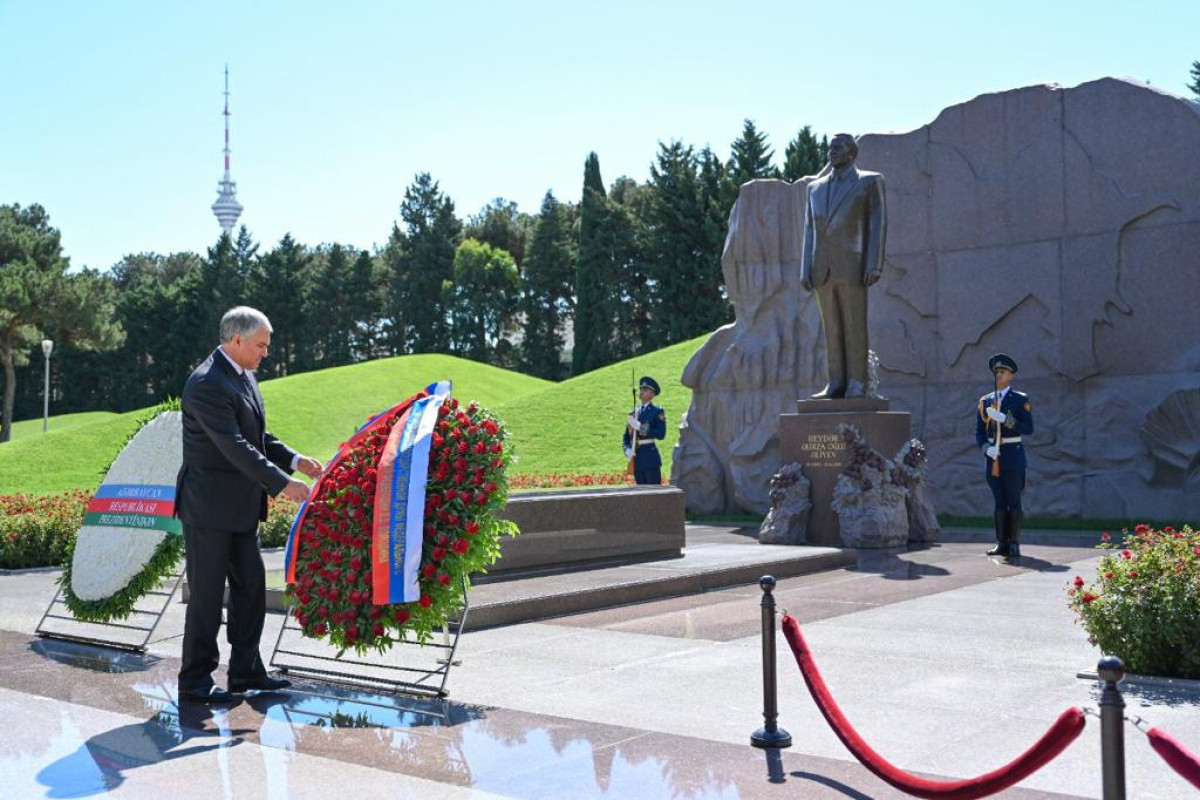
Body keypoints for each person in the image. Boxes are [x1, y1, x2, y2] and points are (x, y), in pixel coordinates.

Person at [175, 306, 321, 703]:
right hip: (208, 510)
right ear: (236, 340)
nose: (265, 353)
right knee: (206, 596)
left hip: (240, 509)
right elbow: (234, 446)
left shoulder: (243, 376)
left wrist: (296, 460)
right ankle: (195, 680)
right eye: (261, 345)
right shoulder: (206, 383)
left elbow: (257, 436)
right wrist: (282, 484)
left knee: (251, 588)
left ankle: (244, 671)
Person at [800, 133, 888, 399]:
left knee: (854, 326)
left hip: (853, 266)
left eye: (838, 147)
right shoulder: (814, 189)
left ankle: (857, 382)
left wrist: (874, 263)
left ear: (852, 153)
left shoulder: (870, 181)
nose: (832, 152)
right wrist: (805, 267)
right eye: (830, 148)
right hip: (821, 269)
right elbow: (810, 229)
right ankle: (835, 382)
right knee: (832, 329)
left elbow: (878, 223)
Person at [974, 353, 1034, 562]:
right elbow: (980, 433)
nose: (999, 375)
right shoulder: (986, 401)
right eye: (997, 372)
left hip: (1013, 456)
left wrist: (1005, 419)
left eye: (1003, 371)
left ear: (1011, 376)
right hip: (994, 458)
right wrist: (986, 448)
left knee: (1013, 501)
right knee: (999, 501)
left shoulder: (1020, 400)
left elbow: (1028, 428)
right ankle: (1001, 543)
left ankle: (1014, 543)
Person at [623, 376, 667, 485]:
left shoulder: (657, 411)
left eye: (645, 389)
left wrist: (640, 427)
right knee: (640, 493)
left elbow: (661, 434)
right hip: (637, 458)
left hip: (650, 458)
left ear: (652, 394)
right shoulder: (634, 412)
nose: (641, 391)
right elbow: (626, 436)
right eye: (641, 388)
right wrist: (627, 449)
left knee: (654, 492)